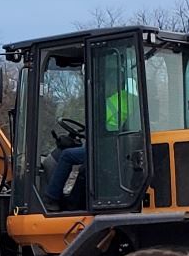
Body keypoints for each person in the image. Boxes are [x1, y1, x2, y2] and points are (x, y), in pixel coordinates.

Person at [43, 79, 136, 208]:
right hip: (113, 145)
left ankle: (51, 198)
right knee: (80, 165)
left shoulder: (112, 102)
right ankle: (71, 202)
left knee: (66, 155)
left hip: (108, 149)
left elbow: (102, 129)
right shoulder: (129, 99)